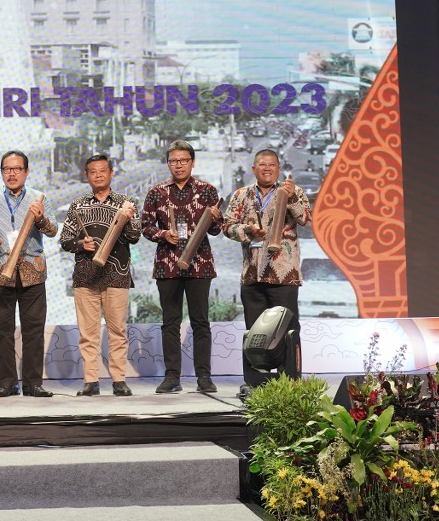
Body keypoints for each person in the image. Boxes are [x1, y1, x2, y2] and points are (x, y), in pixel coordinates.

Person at [223, 149, 312, 396]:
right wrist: (248, 231)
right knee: (255, 333)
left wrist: (292, 198)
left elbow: (305, 219)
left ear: (278, 168)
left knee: (288, 330)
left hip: (284, 274)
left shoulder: (293, 191)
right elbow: (227, 226)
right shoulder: (241, 195)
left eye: (272, 165)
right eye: (262, 165)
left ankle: (289, 381)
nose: (267, 168)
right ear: (253, 169)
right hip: (252, 274)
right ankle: (256, 383)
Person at [140, 140, 224, 394]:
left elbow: (216, 230)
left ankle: (204, 377)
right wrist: (163, 234)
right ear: (168, 164)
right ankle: (172, 377)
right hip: (168, 265)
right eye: (174, 161)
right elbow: (145, 226)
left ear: (192, 162)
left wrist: (216, 219)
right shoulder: (156, 192)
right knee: (170, 323)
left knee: (201, 322)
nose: (178, 165)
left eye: (183, 160)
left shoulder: (207, 191)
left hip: (200, 264)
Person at [0, 150, 57, 397]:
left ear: (26, 172)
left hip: (32, 272)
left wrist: (40, 219)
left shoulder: (38, 198)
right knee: (1, 331)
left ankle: (33, 384)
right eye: (7, 169)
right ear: (1, 172)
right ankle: (7, 383)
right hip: (0, 271)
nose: (12, 174)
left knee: (34, 330)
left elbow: (52, 230)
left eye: (17, 169)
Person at [59, 153, 141, 396]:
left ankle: (119, 380)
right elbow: (65, 240)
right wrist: (80, 244)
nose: (98, 175)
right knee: (88, 333)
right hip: (86, 276)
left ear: (111, 173)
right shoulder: (77, 205)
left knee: (118, 331)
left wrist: (127, 219)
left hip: (117, 274)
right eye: (93, 172)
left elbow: (135, 237)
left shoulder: (126, 203)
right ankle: (90, 381)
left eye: (102, 171)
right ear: (87, 176)